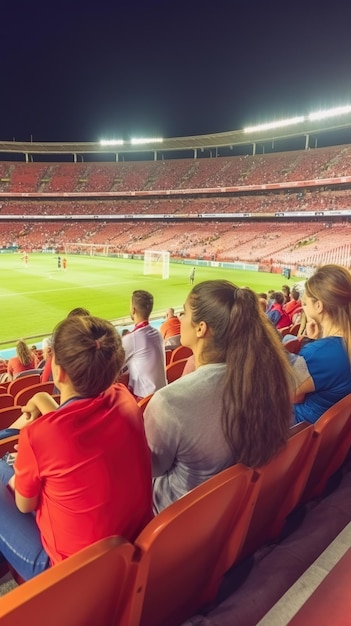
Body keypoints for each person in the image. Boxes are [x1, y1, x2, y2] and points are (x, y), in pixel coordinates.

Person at [0, 314, 153, 580]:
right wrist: (44, 399)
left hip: (68, 570)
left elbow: (25, 505)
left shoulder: (40, 436)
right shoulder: (124, 398)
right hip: (129, 543)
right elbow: (78, 429)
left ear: (58, 371)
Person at [144, 280, 293, 513]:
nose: (180, 319)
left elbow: (152, 468)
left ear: (201, 328)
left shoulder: (169, 402)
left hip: (175, 518)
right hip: (228, 510)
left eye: (184, 313)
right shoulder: (264, 378)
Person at [292, 264, 351, 424]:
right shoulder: (336, 347)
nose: (303, 307)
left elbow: (293, 395)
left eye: (306, 303)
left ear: (319, 306)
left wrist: (311, 343)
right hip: (331, 433)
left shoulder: (317, 353)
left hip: (298, 429)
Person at [122, 290, 167, 399]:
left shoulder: (131, 339)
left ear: (133, 310)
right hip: (162, 394)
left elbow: (112, 367)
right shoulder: (158, 334)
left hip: (145, 400)